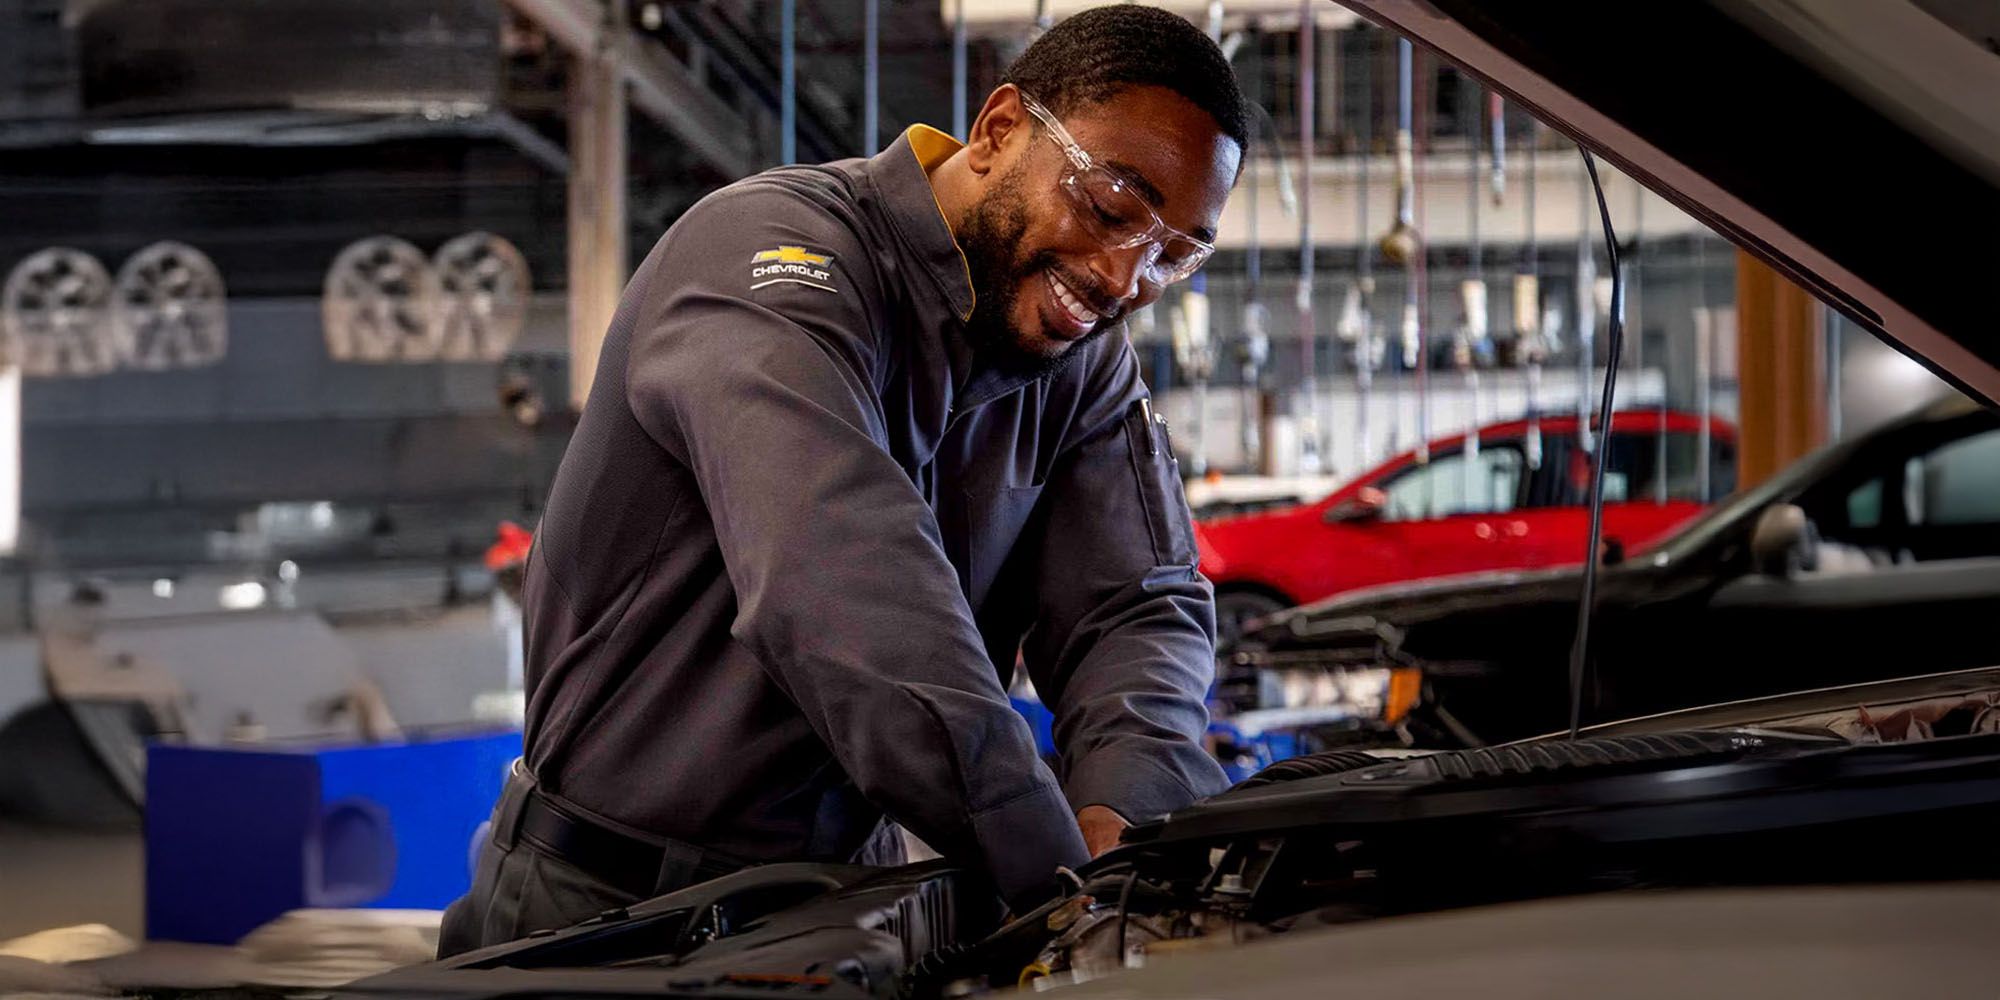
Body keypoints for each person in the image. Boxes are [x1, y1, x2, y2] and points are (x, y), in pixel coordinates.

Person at [440, 4, 1247, 956]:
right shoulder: (772, 261)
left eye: (1173, 253)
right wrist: (1052, 870)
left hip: (848, 904)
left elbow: (1136, 605)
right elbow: (842, 591)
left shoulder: (1080, 360)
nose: (1124, 276)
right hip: (606, 912)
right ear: (998, 132)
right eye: (1111, 208)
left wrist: (1132, 809)